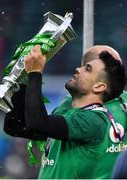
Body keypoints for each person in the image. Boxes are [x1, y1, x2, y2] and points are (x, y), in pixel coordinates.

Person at [4, 45, 126, 179]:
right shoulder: (67, 113)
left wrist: (35, 73)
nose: (78, 69)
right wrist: (22, 79)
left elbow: (37, 123)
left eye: (87, 69)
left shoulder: (95, 120)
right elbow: (15, 126)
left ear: (99, 86)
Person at [54, 45, 127, 178]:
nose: (117, 67)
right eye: (111, 61)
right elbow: (40, 129)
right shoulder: (69, 105)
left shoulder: (125, 100)